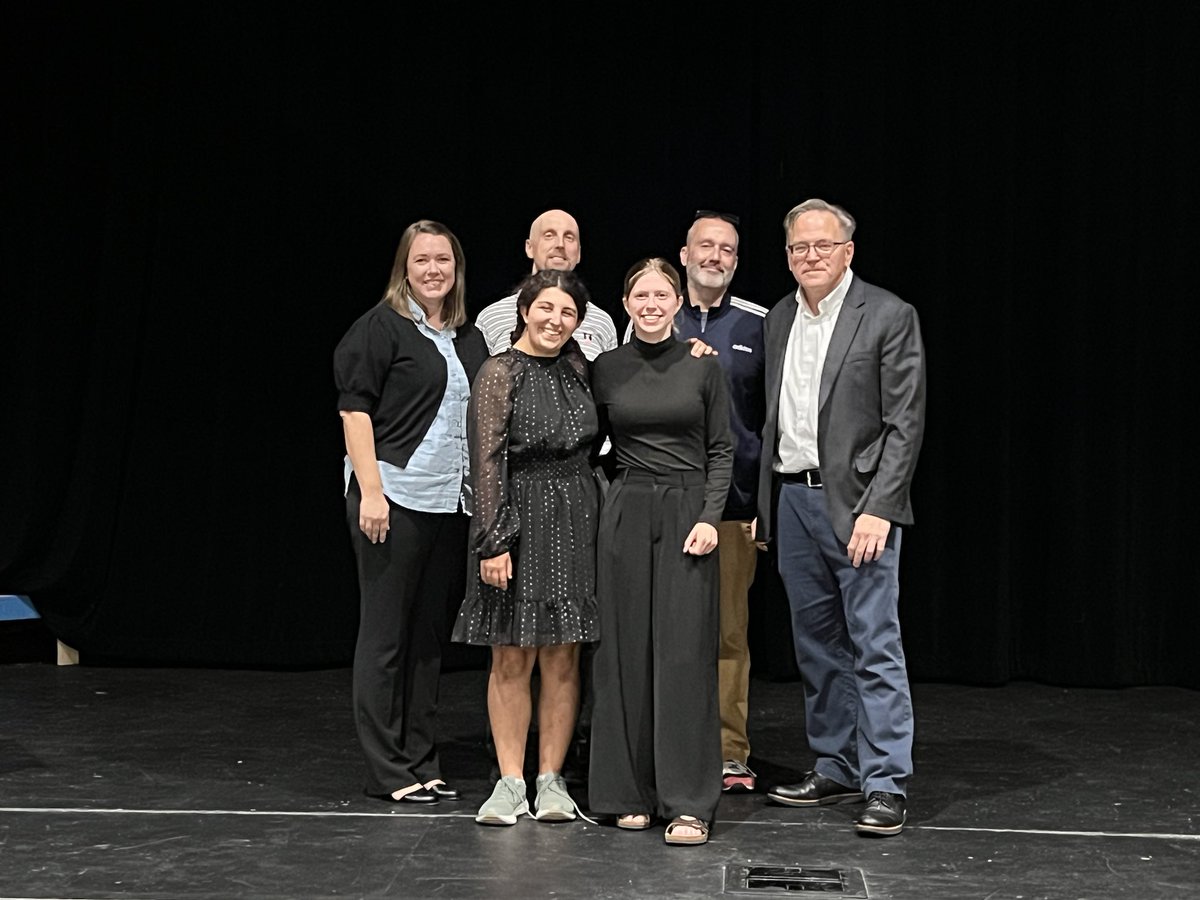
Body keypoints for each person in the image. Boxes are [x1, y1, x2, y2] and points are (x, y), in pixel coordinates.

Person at [757, 199, 926, 837]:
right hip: (793, 502)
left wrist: (880, 508)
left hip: (856, 505)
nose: (810, 257)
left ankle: (885, 782)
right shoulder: (779, 318)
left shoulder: (886, 314)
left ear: (848, 251)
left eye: (822, 246)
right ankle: (837, 763)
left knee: (874, 645)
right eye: (799, 248)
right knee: (817, 645)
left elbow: (904, 423)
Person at [332, 219, 487, 805]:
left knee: (427, 641)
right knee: (385, 638)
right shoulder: (380, 328)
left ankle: (423, 761)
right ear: (405, 266)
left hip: (448, 503)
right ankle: (388, 770)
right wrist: (371, 492)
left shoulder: (468, 338)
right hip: (391, 499)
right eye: (421, 260)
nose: (433, 270)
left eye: (443, 260)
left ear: (456, 268)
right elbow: (355, 413)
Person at [588, 258, 734, 846]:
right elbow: (585, 443)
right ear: (626, 304)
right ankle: (628, 793)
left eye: (662, 295)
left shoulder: (703, 366)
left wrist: (709, 517)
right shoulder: (605, 368)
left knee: (682, 653)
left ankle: (688, 802)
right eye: (640, 295)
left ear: (678, 302)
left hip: (686, 512)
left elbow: (722, 451)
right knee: (622, 652)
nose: (651, 304)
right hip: (626, 510)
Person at [452, 269, 601, 826]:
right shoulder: (500, 371)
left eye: (567, 313)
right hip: (518, 515)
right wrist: (493, 540)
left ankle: (552, 780)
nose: (555, 320)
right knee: (511, 655)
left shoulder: (580, 368)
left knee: (563, 655)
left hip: (575, 515)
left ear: (578, 322)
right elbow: (486, 460)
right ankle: (511, 783)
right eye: (546, 309)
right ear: (524, 309)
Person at [475, 209, 618, 360]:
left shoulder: (602, 322)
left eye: (569, 237)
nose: (560, 244)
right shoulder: (492, 316)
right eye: (549, 235)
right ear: (529, 247)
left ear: (579, 253)